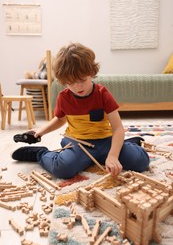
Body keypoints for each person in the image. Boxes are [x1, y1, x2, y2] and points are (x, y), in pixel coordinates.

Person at [12, 42, 150, 179]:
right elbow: (60, 119)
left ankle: (127, 144)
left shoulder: (102, 93)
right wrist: (40, 132)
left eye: (82, 80)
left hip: (105, 140)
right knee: (63, 169)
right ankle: (40, 153)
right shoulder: (63, 97)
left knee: (141, 162)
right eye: (70, 83)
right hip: (78, 142)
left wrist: (113, 156)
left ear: (91, 72)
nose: (77, 87)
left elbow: (118, 128)